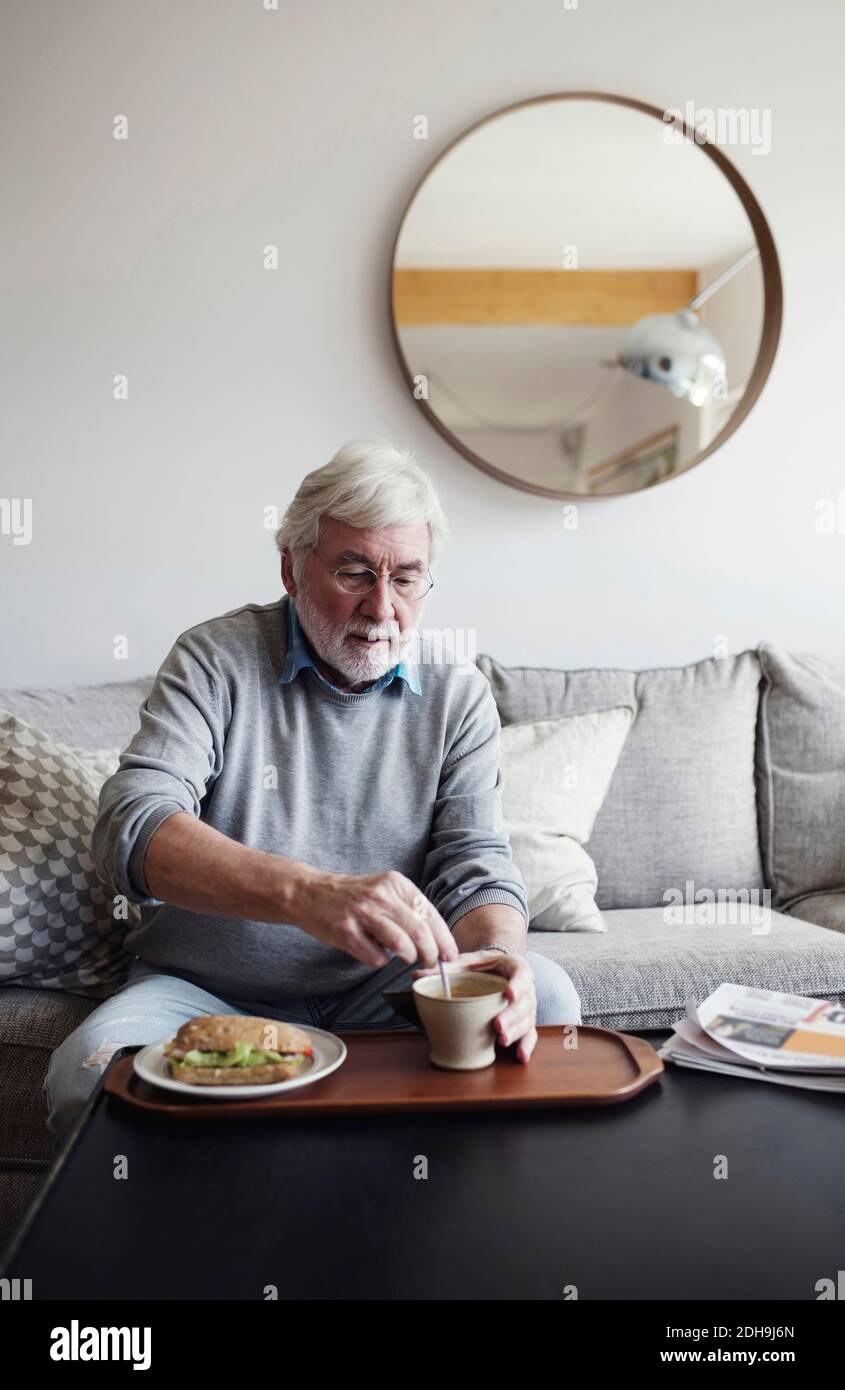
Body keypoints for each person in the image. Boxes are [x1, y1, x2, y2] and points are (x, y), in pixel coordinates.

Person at [44, 438, 581, 1146]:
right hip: (205, 995)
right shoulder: (215, 660)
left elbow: (476, 864)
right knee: (86, 1074)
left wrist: (496, 956)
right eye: (355, 572)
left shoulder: (458, 694)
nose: (383, 607)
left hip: (391, 996)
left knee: (545, 994)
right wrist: (308, 895)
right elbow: (133, 827)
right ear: (291, 569)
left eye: (407, 579)